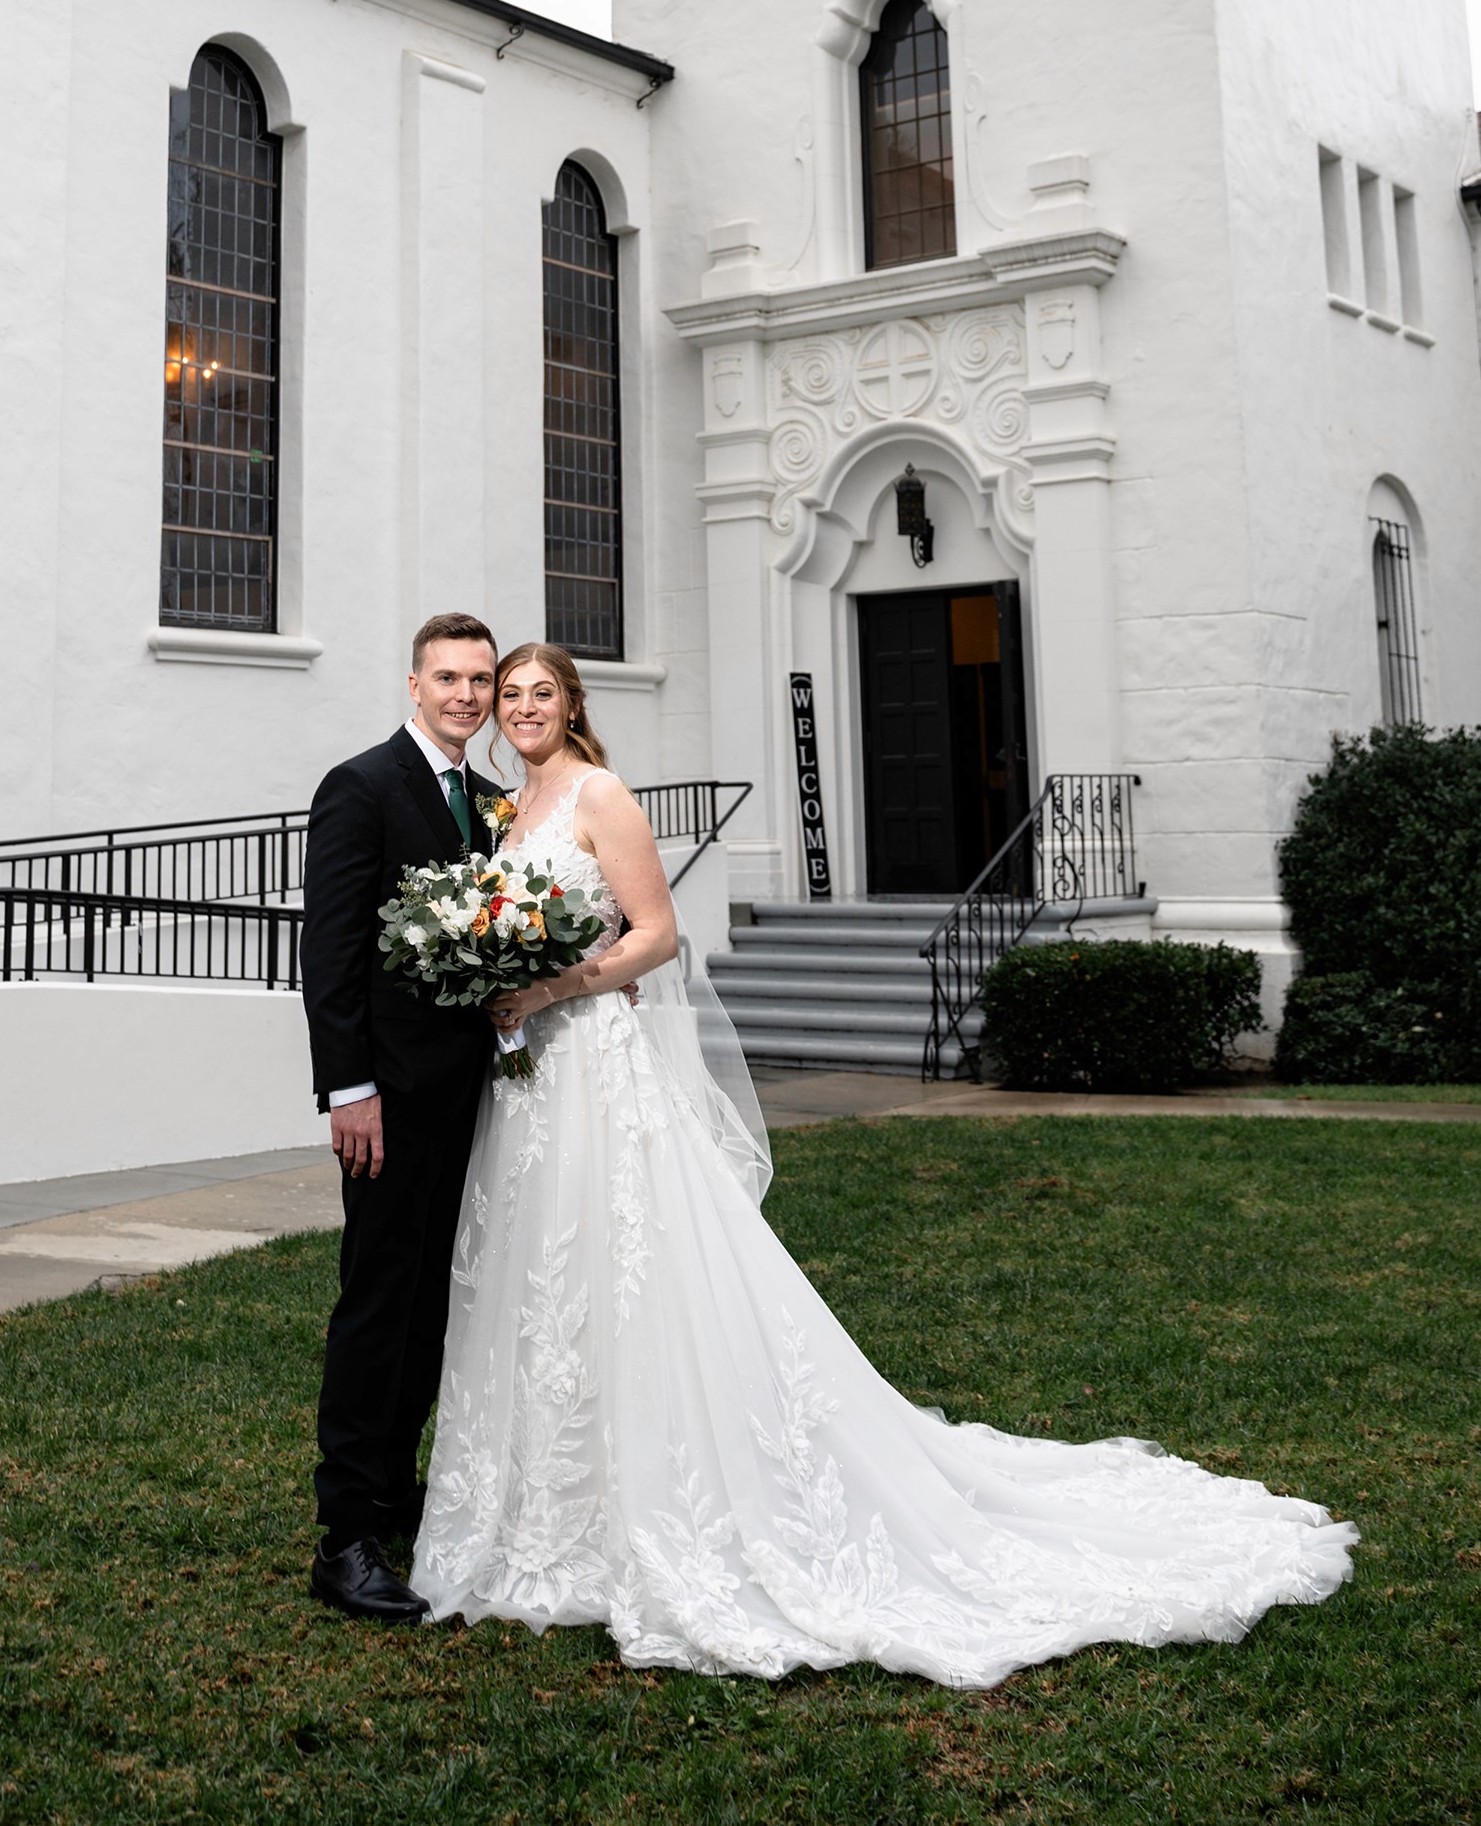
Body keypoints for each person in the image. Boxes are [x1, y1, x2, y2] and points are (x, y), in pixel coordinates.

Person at [411, 643, 1356, 1685]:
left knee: (633, 1271)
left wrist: (555, 987)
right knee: (546, 1277)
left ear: (572, 703)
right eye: (509, 694)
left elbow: (659, 934)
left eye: (540, 692)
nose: (521, 706)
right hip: (531, 1080)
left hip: (596, 1065)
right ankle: (546, 1509)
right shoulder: (507, 809)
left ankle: (668, 1502)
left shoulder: (601, 793)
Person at [299, 611, 507, 1622]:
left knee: (433, 1304)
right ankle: (343, 1536)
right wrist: (349, 1090)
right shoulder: (362, 785)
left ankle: (391, 1488)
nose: (465, 695)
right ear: (412, 685)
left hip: (473, 1094)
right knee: (379, 1302)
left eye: (480, 679)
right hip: (388, 1099)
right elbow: (331, 948)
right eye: (448, 678)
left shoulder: (491, 802)